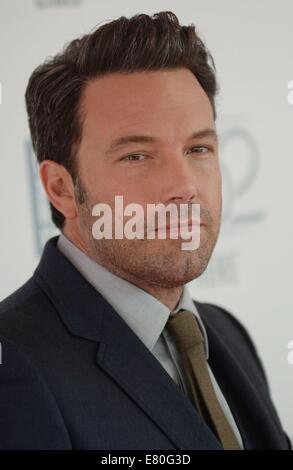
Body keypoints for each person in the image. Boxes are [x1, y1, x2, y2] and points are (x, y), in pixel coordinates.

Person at [0, 11, 290, 450]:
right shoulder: (13, 367)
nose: (185, 187)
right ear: (61, 188)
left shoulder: (225, 333)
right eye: (137, 156)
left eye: (198, 148)